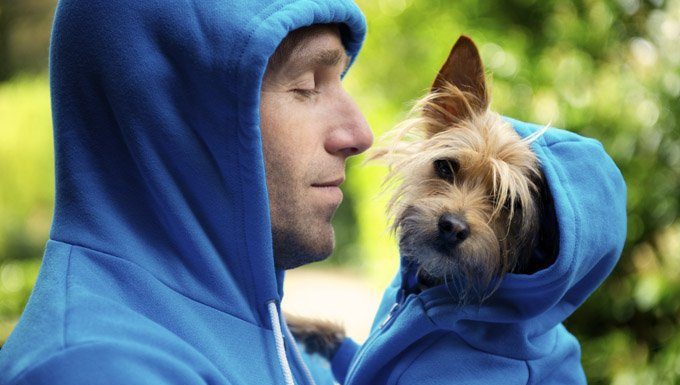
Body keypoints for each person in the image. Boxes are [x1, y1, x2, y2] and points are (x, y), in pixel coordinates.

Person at [0, 0, 371, 384]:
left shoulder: (285, 344)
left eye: (339, 79)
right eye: (307, 86)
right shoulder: (96, 368)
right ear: (169, 114)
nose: (360, 134)